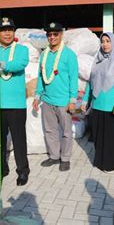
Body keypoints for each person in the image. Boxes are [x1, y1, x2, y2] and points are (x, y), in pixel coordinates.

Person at [0, 17, 30, 186]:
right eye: (3, 30)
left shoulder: (21, 50)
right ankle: (1, 168)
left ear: (14, 32)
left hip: (16, 104)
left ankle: (23, 170)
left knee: (18, 139)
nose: (7, 33)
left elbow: (19, 64)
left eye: (10, 29)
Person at [81, 32, 114, 172]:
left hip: (113, 107)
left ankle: (110, 163)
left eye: (108, 41)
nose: (105, 44)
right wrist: (86, 100)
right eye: (102, 41)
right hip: (98, 105)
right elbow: (90, 83)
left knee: (111, 138)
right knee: (99, 136)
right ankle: (101, 160)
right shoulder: (97, 61)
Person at [33, 22, 78, 172]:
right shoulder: (44, 54)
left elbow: (74, 79)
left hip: (64, 101)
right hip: (47, 100)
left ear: (61, 35)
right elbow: (41, 77)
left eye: (55, 34)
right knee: (50, 130)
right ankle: (54, 156)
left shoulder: (69, 54)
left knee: (65, 132)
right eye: (49, 34)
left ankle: (65, 158)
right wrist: (37, 96)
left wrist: (72, 101)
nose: (52, 37)